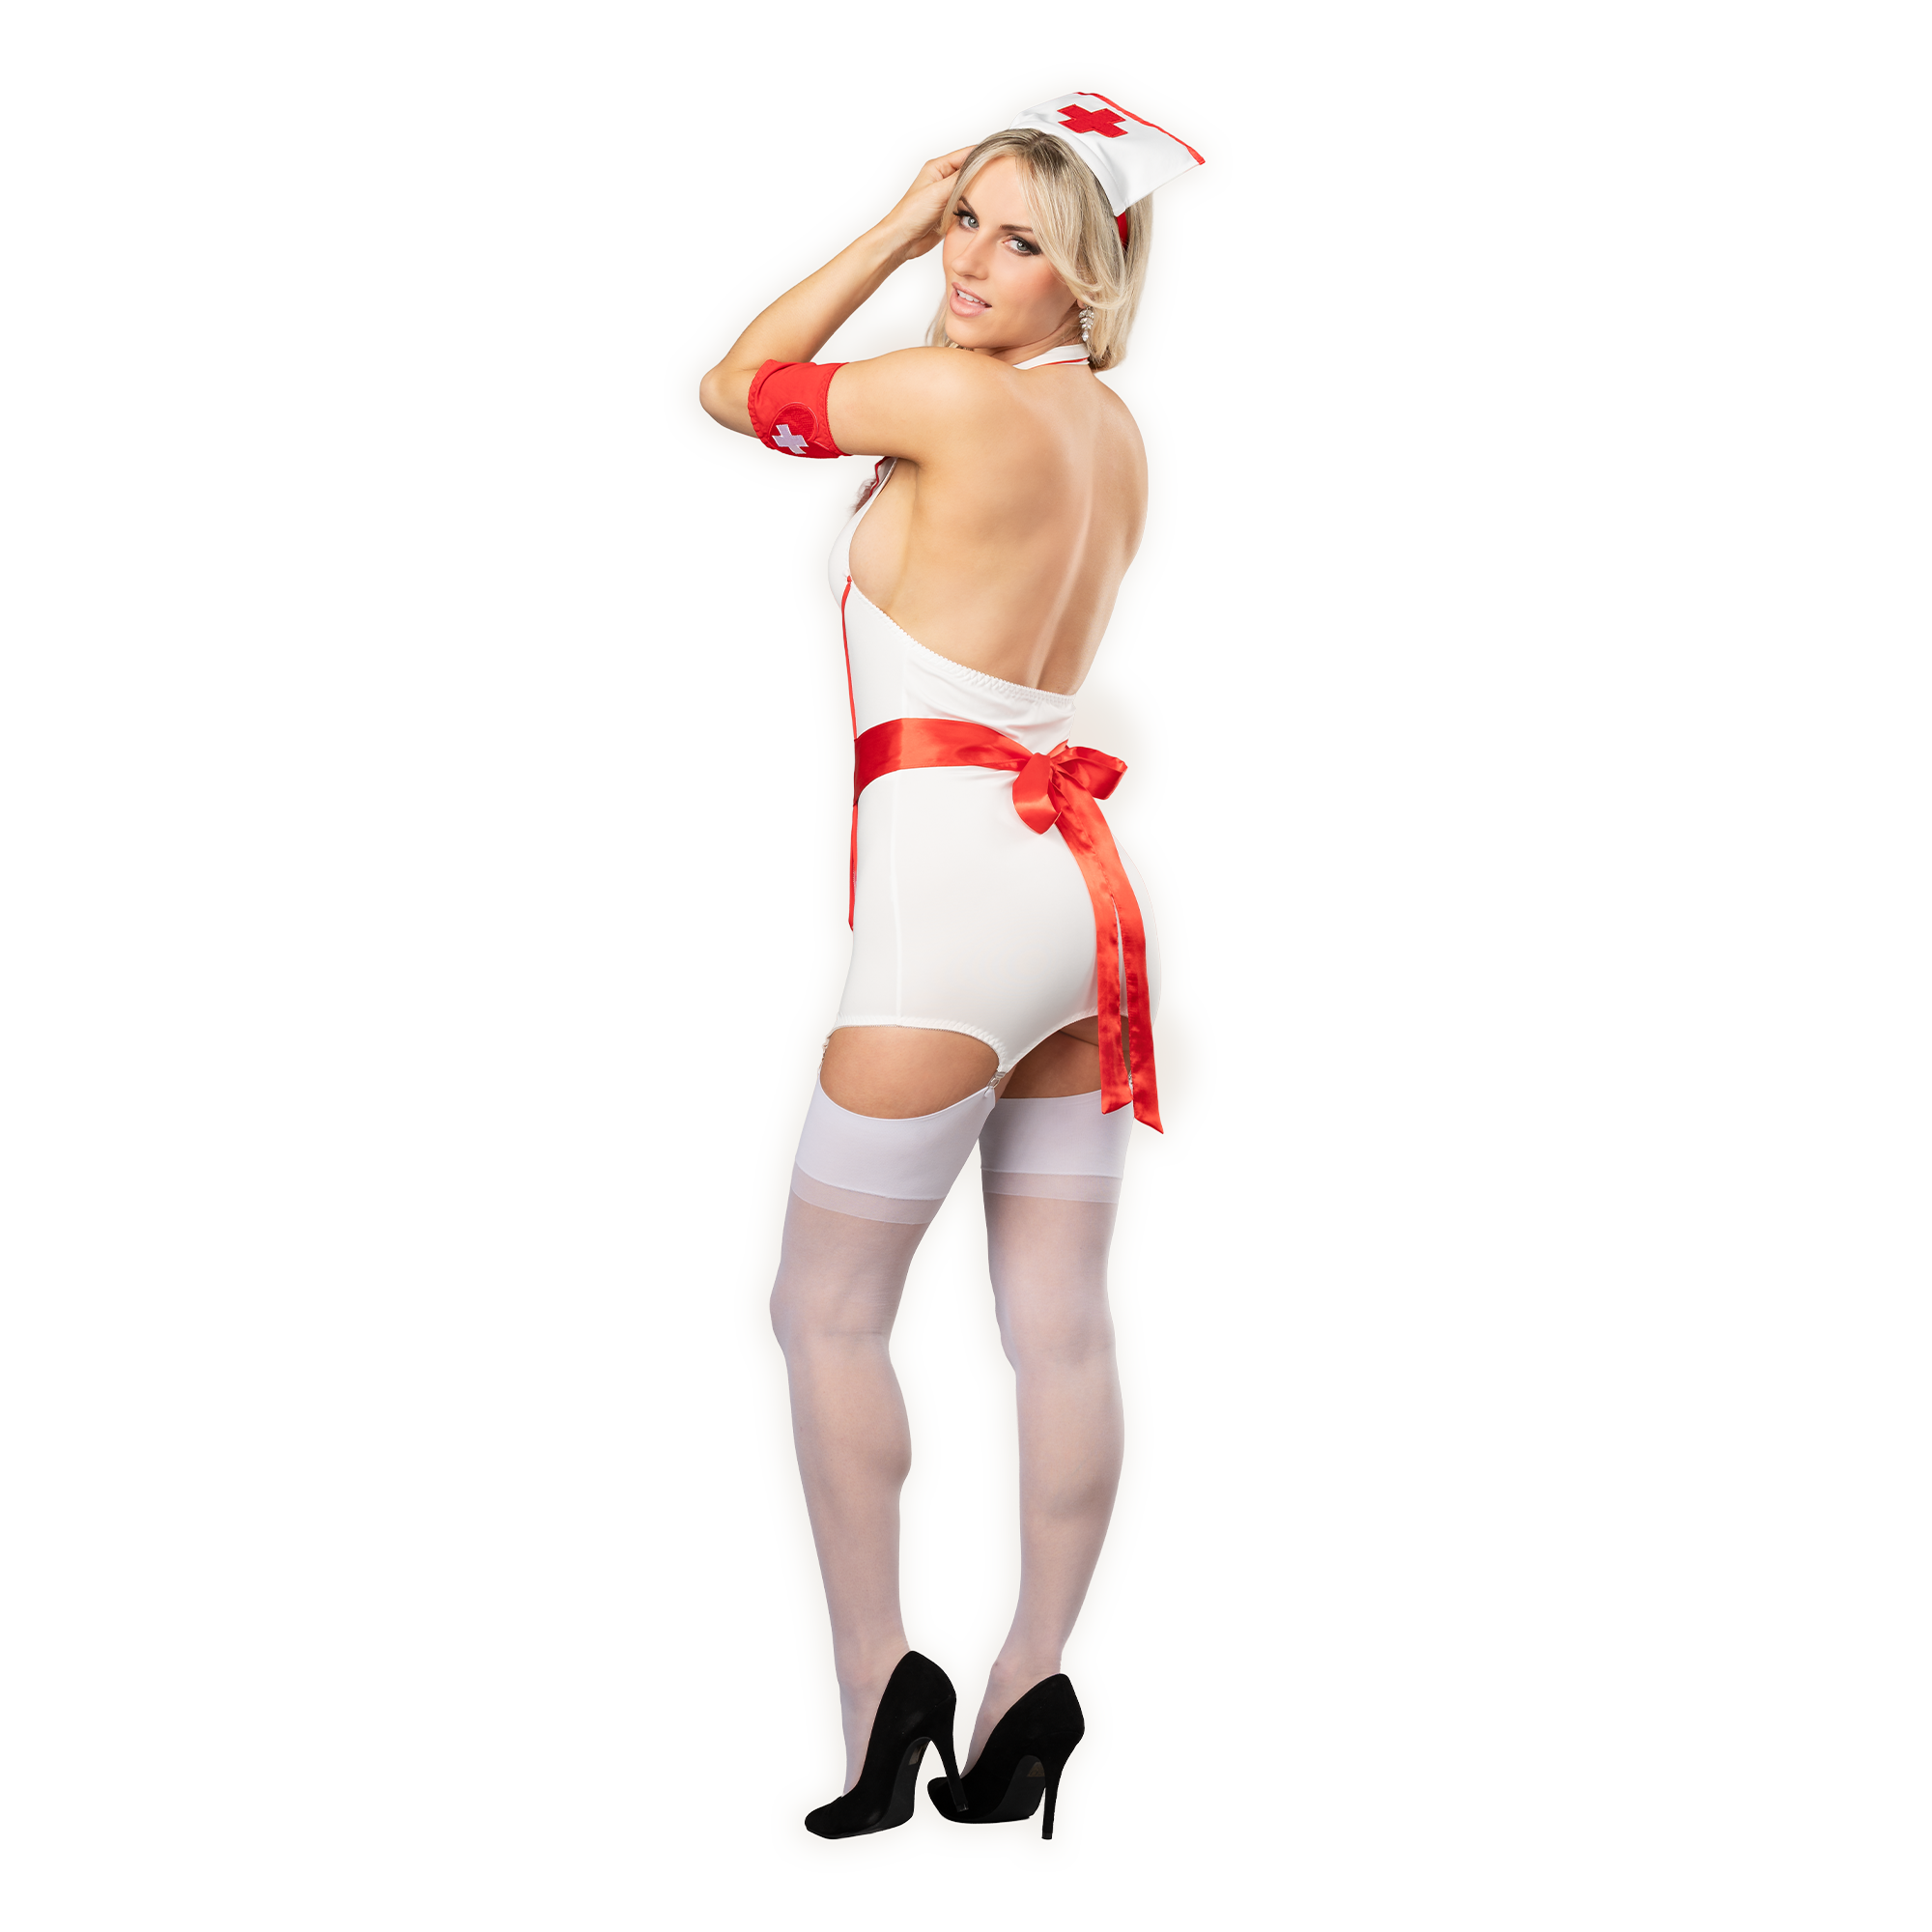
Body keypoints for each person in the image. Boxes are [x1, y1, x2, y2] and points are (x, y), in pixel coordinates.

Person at [697, 93, 1204, 1843]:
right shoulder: (1115, 435)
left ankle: (877, 1690)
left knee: (823, 1311)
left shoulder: (944, 395)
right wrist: (954, 237)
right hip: (1083, 894)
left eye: (1017, 239)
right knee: (1062, 1323)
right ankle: (1033, 1687)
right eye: (965, 221)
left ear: (1090, 277)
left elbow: (735, 387)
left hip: (951, 906)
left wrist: (892, 230)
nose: (977, 260)